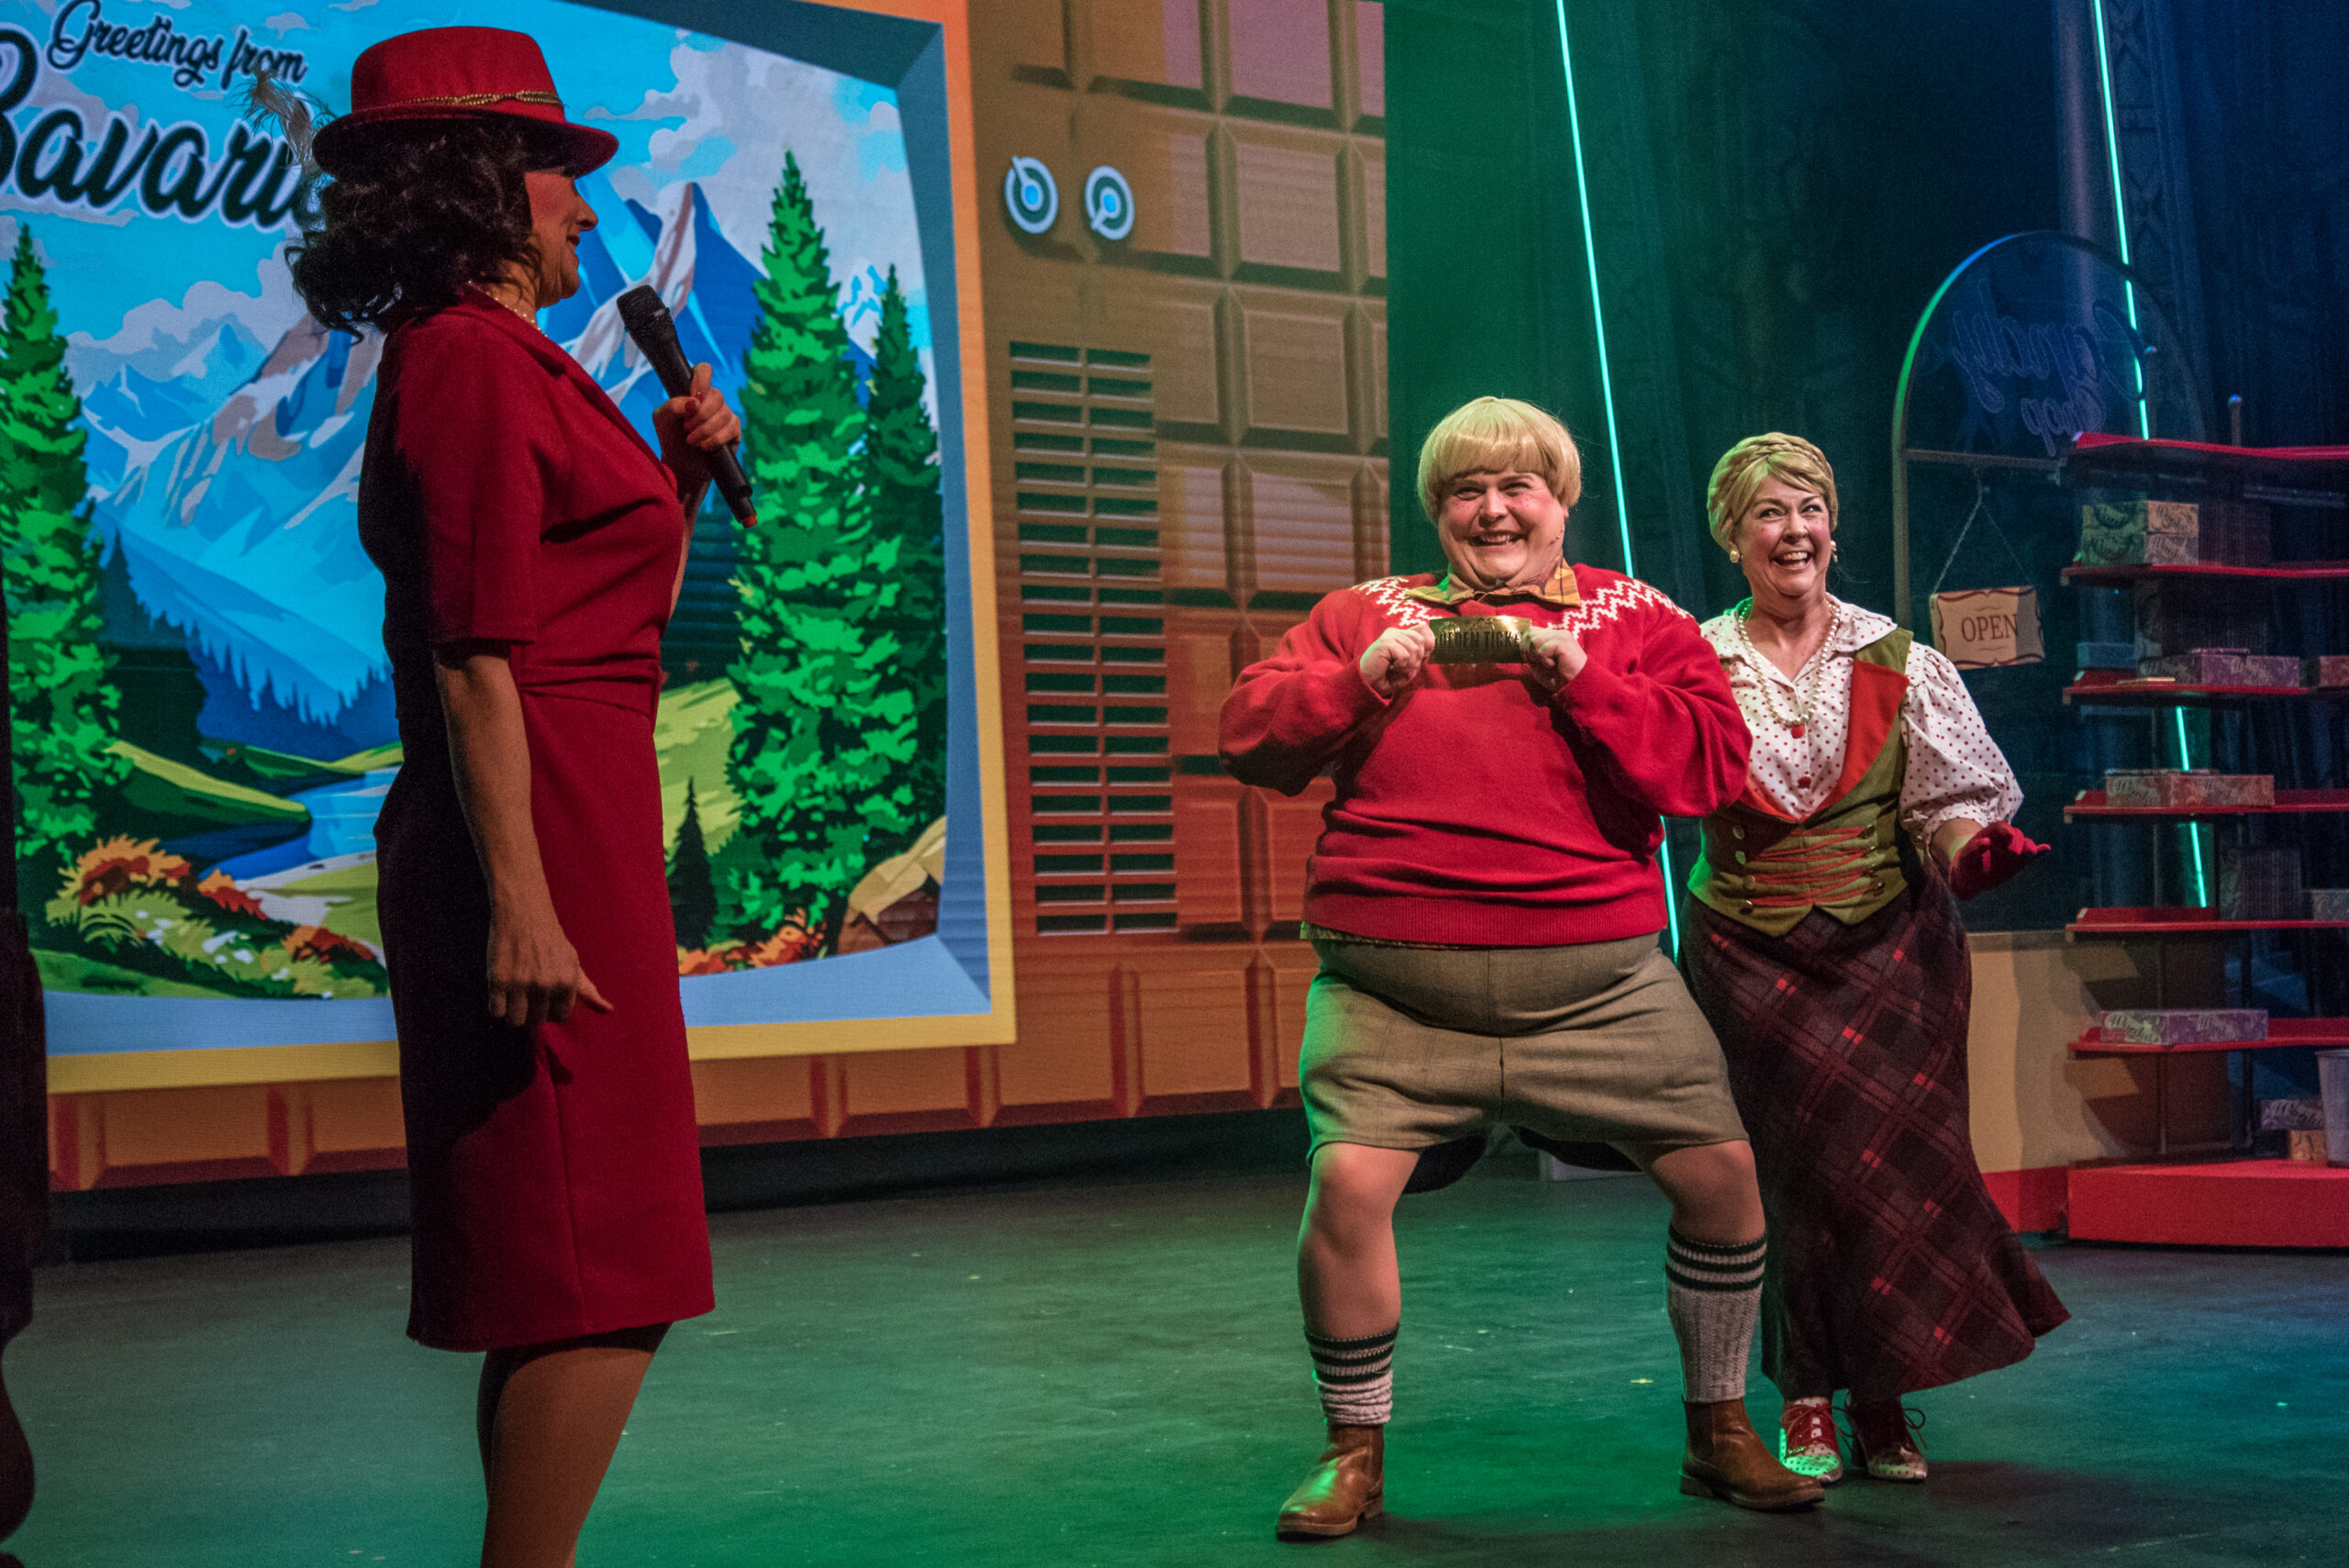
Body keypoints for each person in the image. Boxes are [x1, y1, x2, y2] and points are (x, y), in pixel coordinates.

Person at [291, 28, 742, 1565]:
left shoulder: (505, 359)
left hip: (573, 813)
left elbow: (590, 621)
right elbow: (476, 652)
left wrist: (678, 484)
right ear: (478, 182)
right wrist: (525, 906)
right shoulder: (471, 361)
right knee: (601, 1264)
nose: (581, 201)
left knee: (580, 1269)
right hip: (536, 829)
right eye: (553, 166)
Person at [1221, 396, 1822, 1540]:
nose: (1492, 510)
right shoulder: (1365, 613)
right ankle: (1352, 1452)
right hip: (1393, 990)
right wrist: (1358, 680)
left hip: (1601, 988)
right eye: (1466, 491)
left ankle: (1717, 1430)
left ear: (1560, 501)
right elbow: (1248, 731)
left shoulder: (1636, 616)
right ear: (1436, 510)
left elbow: (1708, 768)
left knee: (1723, 1178)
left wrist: (1585, 679)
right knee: (1345, 1187)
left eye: (1517, 487)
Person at [1683, 433, 2067, 1486]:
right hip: (1748, 953)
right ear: (1730, 536)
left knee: (1894, 1170)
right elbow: (1655, 778)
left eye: (1808, 508)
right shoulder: (1693, 662)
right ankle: (1806, 1393)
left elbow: (1947, 803)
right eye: (1768, 512)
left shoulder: (1900, 658)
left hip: (1891, 944)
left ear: (1833, 525)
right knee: (1794, 1177)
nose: (1792, 531)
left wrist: (1976, 852)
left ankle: (1885, 1399)